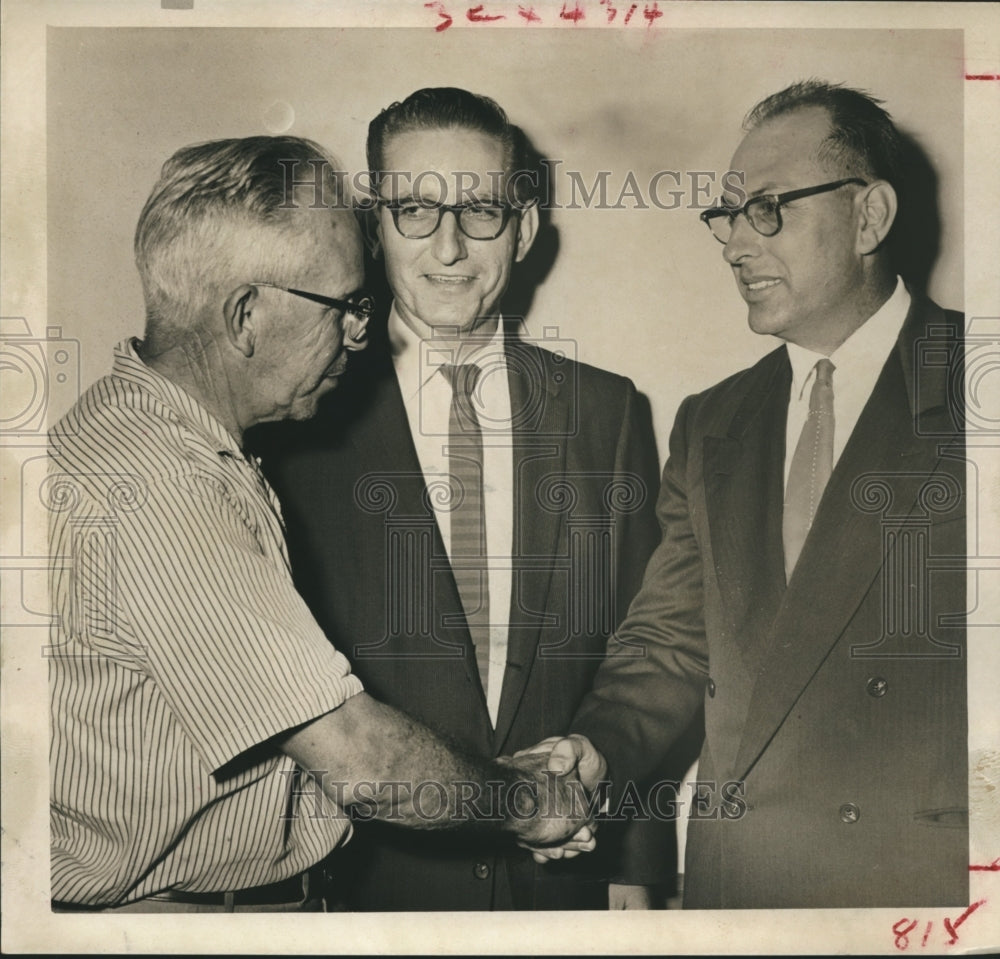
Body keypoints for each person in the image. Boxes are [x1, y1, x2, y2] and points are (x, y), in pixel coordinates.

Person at [47, 135, 593, 913]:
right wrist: (536, 803)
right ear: (244, 315)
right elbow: (365, 763)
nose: (361, 333)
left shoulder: (135, 432)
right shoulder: (163, 485)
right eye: (345, 306)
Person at [530, 80, 968, 909]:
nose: (734, 243)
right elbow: (670, 645)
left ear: (869, 217)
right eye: (726, 216)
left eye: (767, 209)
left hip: (919, 893)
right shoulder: (712, 422)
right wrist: (598, 747)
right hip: (744, 893)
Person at [255, 88, 682, 910]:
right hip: (368, 888)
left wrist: (636, 858)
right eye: (414, 208)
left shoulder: (608, 412)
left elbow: (642, 645)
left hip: (569, 882)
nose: (449, 246)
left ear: (522, 228)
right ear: (373, 225)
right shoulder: (298, 418)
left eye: (480, 209)